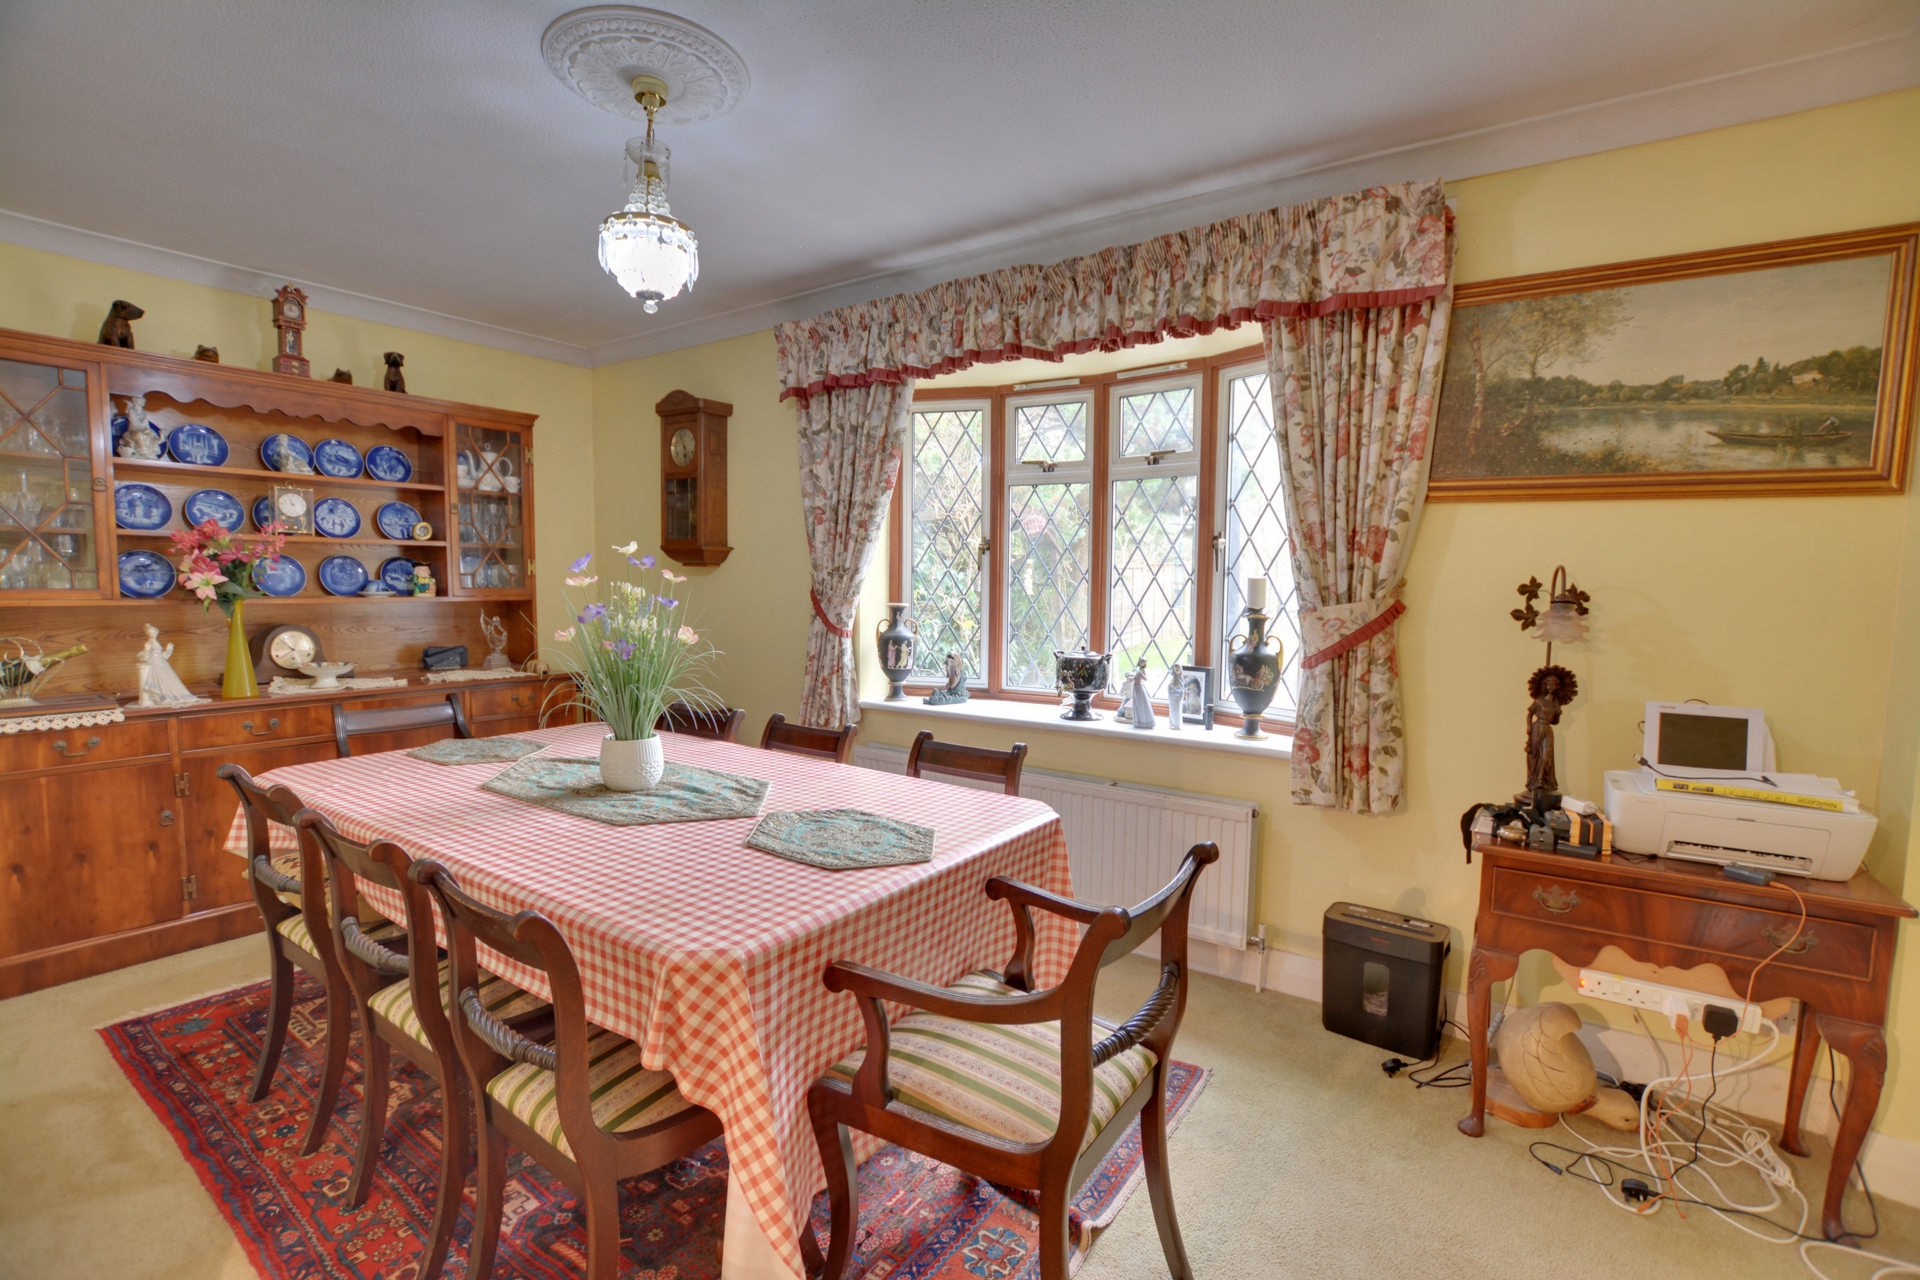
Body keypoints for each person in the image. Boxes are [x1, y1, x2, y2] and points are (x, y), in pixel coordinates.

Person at [136, 624, 205, 706]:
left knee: (171, 678)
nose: (153, 634)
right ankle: (165, 695)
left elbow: (162, 656)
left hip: (161, 661)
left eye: (154, 632)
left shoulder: (155, 642)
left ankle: (178, 694)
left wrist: (169, 649)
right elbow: (145, 656)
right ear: (148, 634)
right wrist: (146, 649)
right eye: (150, 633)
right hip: (155, 662)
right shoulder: (149, 643)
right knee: (162, 678)